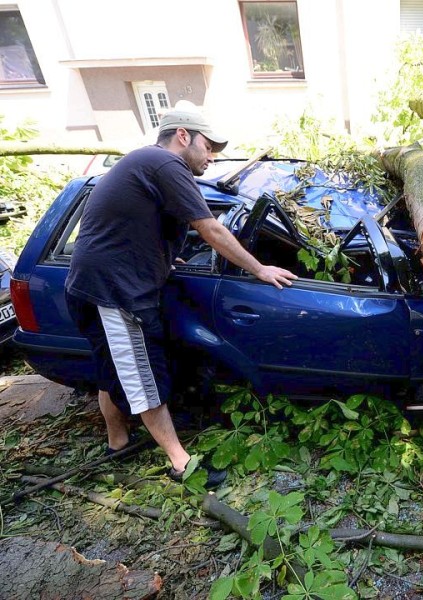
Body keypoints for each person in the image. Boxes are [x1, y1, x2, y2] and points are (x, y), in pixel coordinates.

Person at [65, 107, 297, 487]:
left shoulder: (145, 163)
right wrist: (260, 269)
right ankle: (180, 463)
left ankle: (117, 441)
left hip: (90, 284)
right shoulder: (166, 164)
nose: (212, 157)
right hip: (116, 291)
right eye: (209, 147)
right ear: (184, 136)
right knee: (143, 375)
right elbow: (211, 229)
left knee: (112, 370)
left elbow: (128, 221)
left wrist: (163, 254)